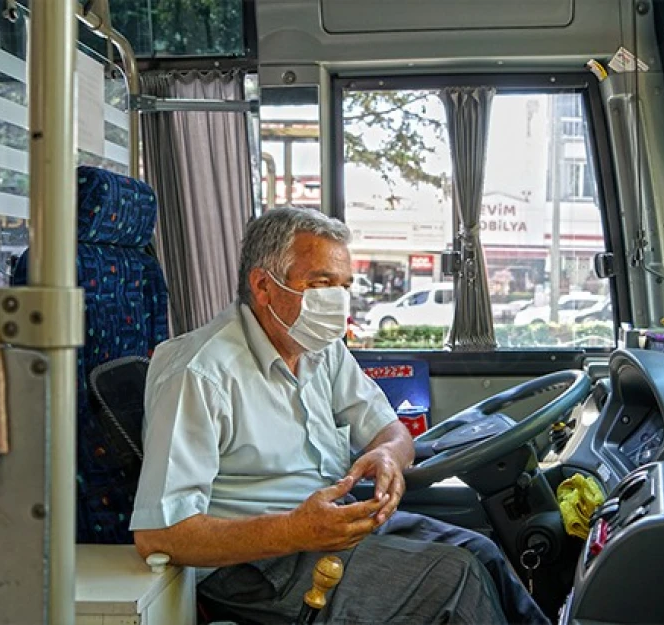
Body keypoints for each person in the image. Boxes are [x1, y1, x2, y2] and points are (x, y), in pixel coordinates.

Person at [131, 207, 549, 624]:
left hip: (326, 528)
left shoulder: (320, 348)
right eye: (320, 283)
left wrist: (388, 455)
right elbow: (161, 534)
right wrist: (294, 530)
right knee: (457, 578)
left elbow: (391, 430)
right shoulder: (200, 373)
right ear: (263, 285)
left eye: (344, 285)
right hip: (251, 566)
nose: (337, 301)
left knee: (483, 552)